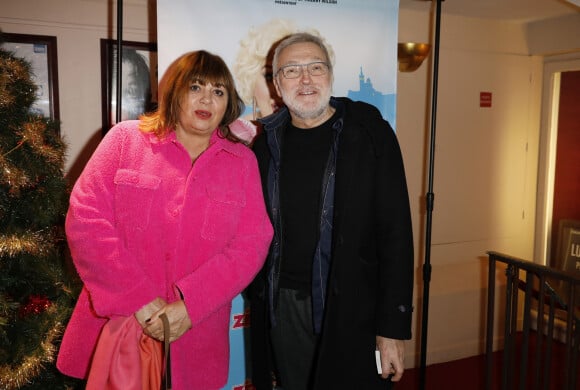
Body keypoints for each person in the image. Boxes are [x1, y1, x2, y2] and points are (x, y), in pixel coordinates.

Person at [57, 50, 274, 389]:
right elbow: (86, 218)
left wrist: (190, 306)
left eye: (218, 91)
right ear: (175, 92)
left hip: (196, 337)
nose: (207, 99)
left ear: (228, 103)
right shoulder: (125, 140)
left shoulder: (242, 162)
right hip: (117, 330)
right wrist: (137, 299)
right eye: (196, 87)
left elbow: (251, 244)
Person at [247, 32, 414, 390]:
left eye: (315, 67)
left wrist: (392, 328)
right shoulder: (265, 145)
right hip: (286, 305)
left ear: (331, 75)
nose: (305, 79)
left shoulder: (371, 134)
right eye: (292, 71)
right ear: (277, 84)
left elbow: (396, 232)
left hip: (354, 308)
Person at [230, 19, 335, 145]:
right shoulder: (232, 138)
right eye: (269, 77)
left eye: (290, 72)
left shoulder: (342, 129)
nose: (278, 88)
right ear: (250, 80)